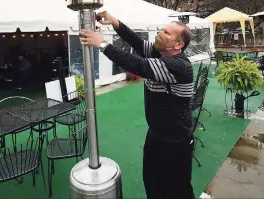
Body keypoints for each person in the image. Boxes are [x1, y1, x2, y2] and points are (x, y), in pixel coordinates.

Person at [79, 11, 195, 199]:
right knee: (152, 183)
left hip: (175, 141)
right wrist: (115, 22)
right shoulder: (160, 53)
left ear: (178, 45)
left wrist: (101, 43)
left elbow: (138, 64)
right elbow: (136, 42)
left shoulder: (178, 66)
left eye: (166, 33)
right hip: (156, 135)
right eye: (162, 30)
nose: (160, 34)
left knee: (178, 190)